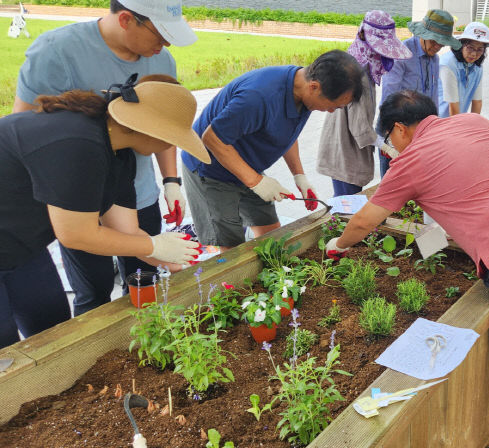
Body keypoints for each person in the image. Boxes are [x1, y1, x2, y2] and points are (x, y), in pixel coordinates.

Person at [326, 90, 489, 448]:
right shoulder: (473, 122)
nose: (391, 145)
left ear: (399, 129)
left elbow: (365, 222)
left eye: (389, 138)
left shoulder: (411, 161)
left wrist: (338, 245)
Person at [13, 0, 197, 316]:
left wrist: (170, 182)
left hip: (127, 191)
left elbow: (167, 127)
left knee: (144, 281)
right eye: (159, 34)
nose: (165, 45)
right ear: (126, 19)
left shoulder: (161, 62)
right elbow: (30, 132)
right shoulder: (57, 52)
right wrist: (154, 247)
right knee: (92, 290)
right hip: (70, 202)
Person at [0, 76, 210, 349]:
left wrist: (166, 258)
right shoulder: (78, 144)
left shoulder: (118, 153)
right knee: (5, 350)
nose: (169, 147)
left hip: (23, 247)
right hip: (10, 237)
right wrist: (153, 244)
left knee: (51, 329)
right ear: (147, 130)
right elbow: (76, 235)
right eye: (170, 139)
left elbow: (126, 231)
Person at [182, 50, 363, 250]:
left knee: (272, 238)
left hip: (246, 164)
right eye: (333, 106)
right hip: (210, 169)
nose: (331, 111)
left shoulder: (303, 95)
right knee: (228, 250)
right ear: (314, 87)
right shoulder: (258, 96)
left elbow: (287, 134)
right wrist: (256, 181)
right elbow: (212, 139)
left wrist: (299, 176)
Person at [316, 11, 412, 197]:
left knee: (347, 204)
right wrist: (386, 147)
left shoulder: (357, 62)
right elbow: (359, 128)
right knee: (347, 207)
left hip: (344, 148)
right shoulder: (357, 74)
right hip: (345, 152)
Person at [378, 9, 461, 176]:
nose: (437, 47)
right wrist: (390, 136)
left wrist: (436, 127)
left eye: (442, 43)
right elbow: (388, 98)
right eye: (434, 41)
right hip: (396, 130)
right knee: (393, 183)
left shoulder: (435, 59)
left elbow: (433, 96)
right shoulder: (401, 53)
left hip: (419, 132)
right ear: (422, 33)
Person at [437, 22, 489, 117]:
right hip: (439, 121)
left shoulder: (477, 67)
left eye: (479, 50)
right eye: (470, 48)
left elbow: (477, 102)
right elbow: (453, 105)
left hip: (457, 119)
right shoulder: (448, 64)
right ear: (461, 44)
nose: (474, 54)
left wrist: (473, 126)